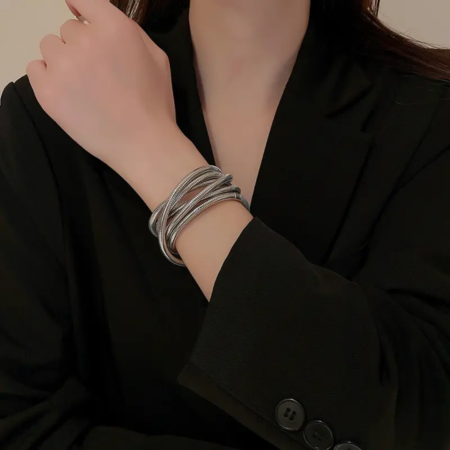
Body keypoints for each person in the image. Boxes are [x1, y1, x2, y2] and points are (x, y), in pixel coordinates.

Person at [0, 0, 449, 448]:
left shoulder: (428, 120)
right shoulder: (49, 117)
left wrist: (153, 149)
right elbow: (18, 426)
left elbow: (421, 421)